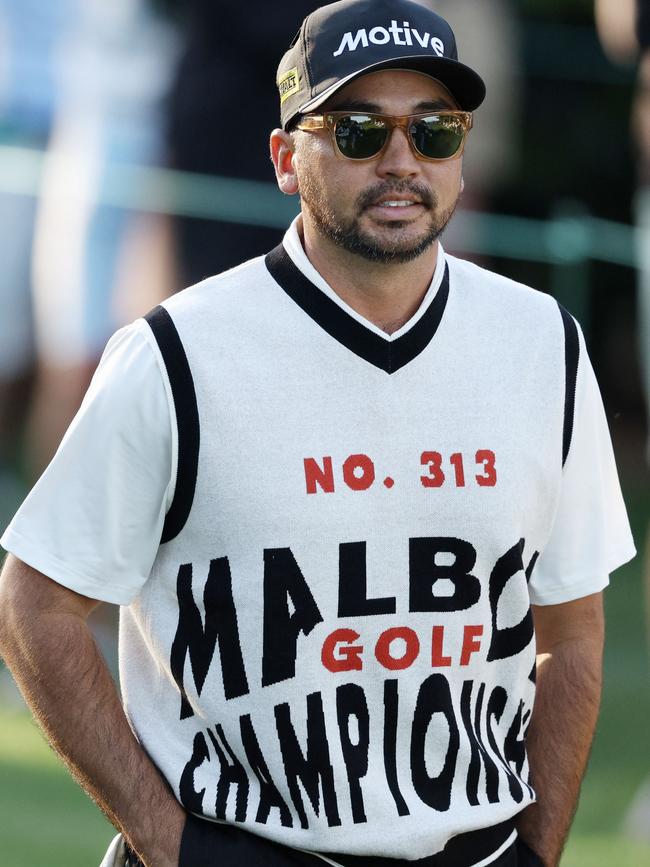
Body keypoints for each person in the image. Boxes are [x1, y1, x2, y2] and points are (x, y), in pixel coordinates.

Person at [0, 2, 636, 866]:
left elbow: (575, 629)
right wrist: (171, 842)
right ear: (286, 158)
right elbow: (34, 603)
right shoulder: (173, 354)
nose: (402, 161)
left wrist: (535, 850)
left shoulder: (544, 345)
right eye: (359, 129)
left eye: (436, 131)